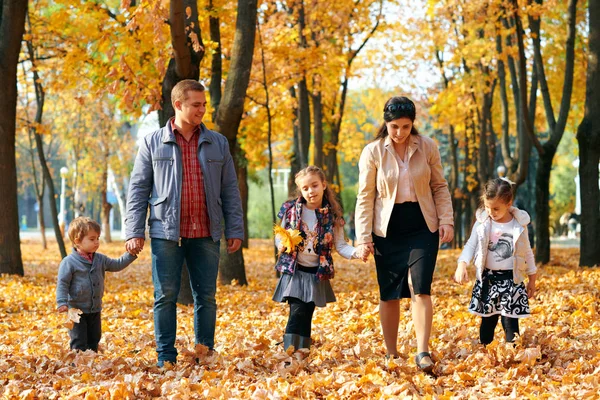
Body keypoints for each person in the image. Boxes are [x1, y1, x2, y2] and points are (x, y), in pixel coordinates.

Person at [124, 79, 244, 367]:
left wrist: (235, 228)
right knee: (164, 296)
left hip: (206, 232)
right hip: (166, 232)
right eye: (196, 104)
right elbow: (138, 189)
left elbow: (230, 189)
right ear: (178, 105)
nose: (202, 109)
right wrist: (134, 231)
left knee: (206, 297)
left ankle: (205, 354)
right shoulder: (152, 142)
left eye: (204, 104)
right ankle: (166, 357)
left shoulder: (217, 142)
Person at [354, 96, 454, 374]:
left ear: (413, 125)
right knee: (389, 293)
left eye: (406, 127)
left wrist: (446, 220)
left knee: (420, 286)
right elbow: (365, 197)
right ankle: (392, 352)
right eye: (394, 127)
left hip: (423, 224)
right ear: (386, 124)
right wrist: (363, 237)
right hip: (387, 228)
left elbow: (440, 187)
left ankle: (423, 351)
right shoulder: (373, 152)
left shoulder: (428, 147)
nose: (399, 133)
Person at [273, 166, 362, 352]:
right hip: (295, 271)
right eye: (305, 188)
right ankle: (289, 354)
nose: (310, 191)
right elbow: (279, 233)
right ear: (300, 190)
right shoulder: (291, 209)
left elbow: (341, 245)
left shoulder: (332, 216)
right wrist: (281, 243)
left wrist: (357, 253)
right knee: (296, 311)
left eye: (314, 186)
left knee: (307, 314)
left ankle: (301, 354)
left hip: (315, 273)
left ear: (323, 185)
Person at [454, 178, 537, 346]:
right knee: (488, 322)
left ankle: (511, 354)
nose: (491, 212)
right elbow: (471, 244)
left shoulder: (518, 224)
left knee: (510, 322)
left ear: (509, 203)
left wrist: (532, 279)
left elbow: (527, 251)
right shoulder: (483, 223)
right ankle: (485, 352)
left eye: (496, 208)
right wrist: (462, 264)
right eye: (487, 207)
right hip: (489, 280)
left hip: (511, 280)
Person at [56, 217, 137, 352]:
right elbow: (62, 283)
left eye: (98, 238)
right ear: (77, 241)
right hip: (75, 310)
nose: (97, 242)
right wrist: (61, 302)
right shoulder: (69, 262)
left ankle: (91, 363)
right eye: (92, 239)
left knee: (94, 338)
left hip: (95, 308)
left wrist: (130, 255)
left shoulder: (100, 259)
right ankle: (77, 365)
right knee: (78, 339)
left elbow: (116, 265)